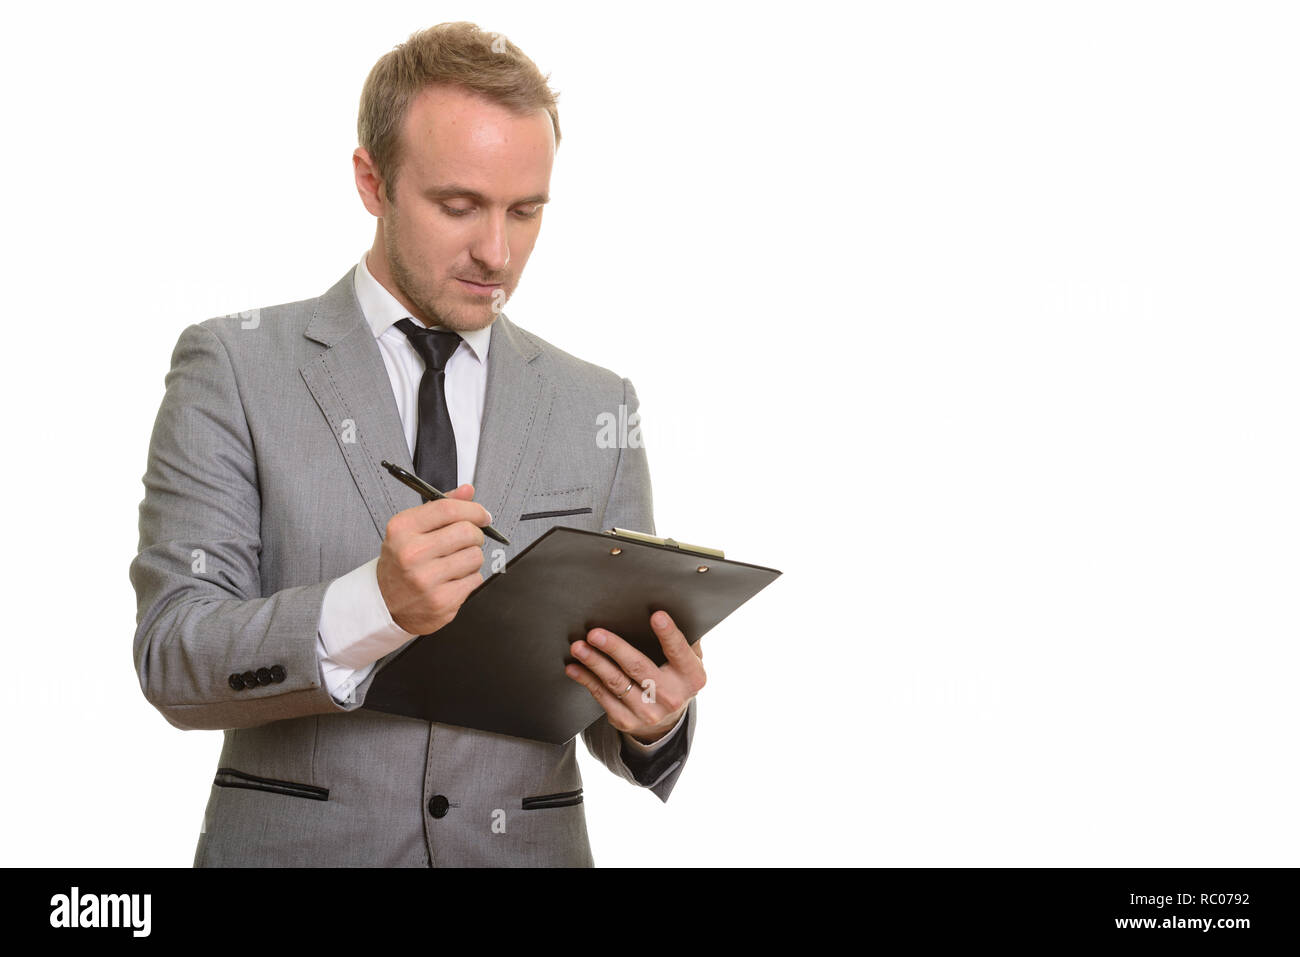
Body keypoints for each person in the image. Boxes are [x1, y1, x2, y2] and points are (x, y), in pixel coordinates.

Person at [130, 21, 704, 867]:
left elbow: (613, 700)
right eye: (459, 205)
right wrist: (374, 606)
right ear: (373, 180)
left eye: (526, 210)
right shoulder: (235, 364)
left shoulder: (598, 401)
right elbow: (174, 654)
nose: (497, 252)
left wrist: (655, 717)